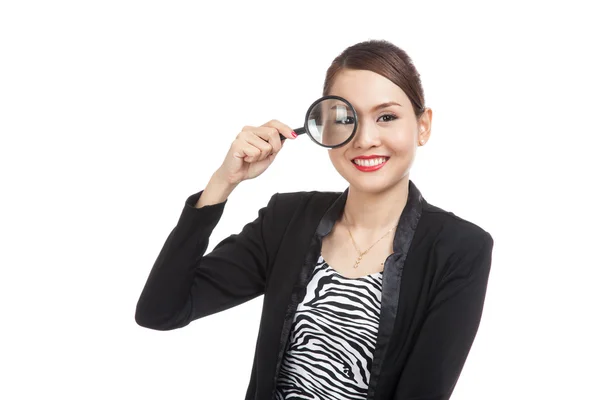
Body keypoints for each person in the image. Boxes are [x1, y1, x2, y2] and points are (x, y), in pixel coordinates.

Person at [135, 39, 494, 400]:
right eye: (345, 119)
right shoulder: (287, 220)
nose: (365, 139)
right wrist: (222, 183)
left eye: (386, 117)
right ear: (324, 128)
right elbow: (160, 310)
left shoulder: (460, 249)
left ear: (423, 126)